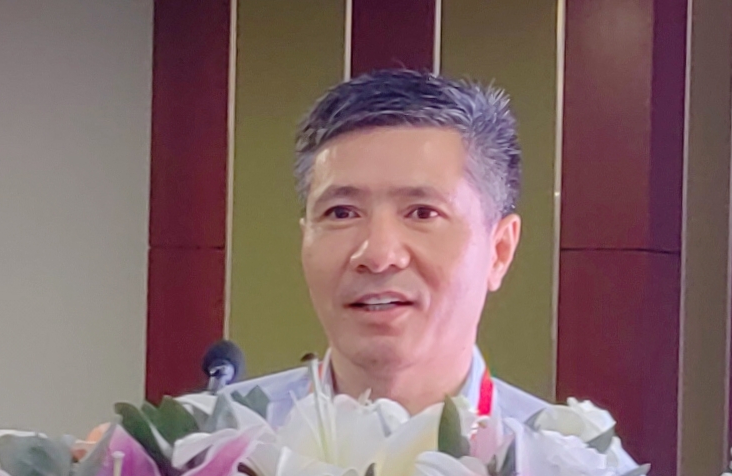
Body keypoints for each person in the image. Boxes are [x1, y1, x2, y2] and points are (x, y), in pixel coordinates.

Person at [226, 68, 551, 431]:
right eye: (342, 213)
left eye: (422, 213)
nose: (378, 256)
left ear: (499, 251)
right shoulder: (210, 447)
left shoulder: (569, 463)